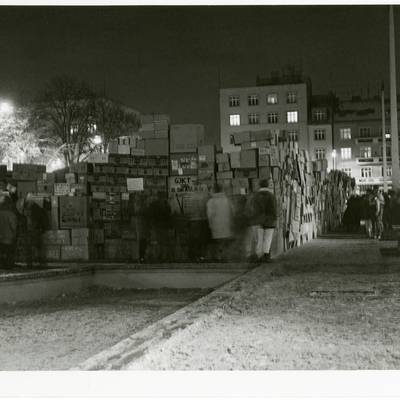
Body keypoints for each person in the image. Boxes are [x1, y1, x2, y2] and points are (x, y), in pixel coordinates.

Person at [244, 179, 277, 262]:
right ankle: (266, 256)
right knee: (267, 238)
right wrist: (274, 218)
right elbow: (274, 209)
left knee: (259, 240)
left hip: (258, 220)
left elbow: (252, 209)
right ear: (267, 185)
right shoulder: (271, 196)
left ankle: (259, 256)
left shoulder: (255, 196)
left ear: (260, 185)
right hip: (269, 221)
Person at [206, 183, 234, 261]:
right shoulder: (227, 200)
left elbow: (210, 215)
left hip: (216, 225)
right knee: (225, 242)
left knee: (218, 242)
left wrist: (210, 225)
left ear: (214, 190)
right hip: (227, 224)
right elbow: (232, 211)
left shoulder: (211, 201)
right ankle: (225, 256)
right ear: (222, 190)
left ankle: (220, 257)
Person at [0, 192, 19, 269]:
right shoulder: (11, 214)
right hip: (9, 238)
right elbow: (14, 227)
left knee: (2, 252)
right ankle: (8, 265)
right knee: (9, 253)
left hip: (1, 237)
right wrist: (15, 235)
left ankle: (2, 264)